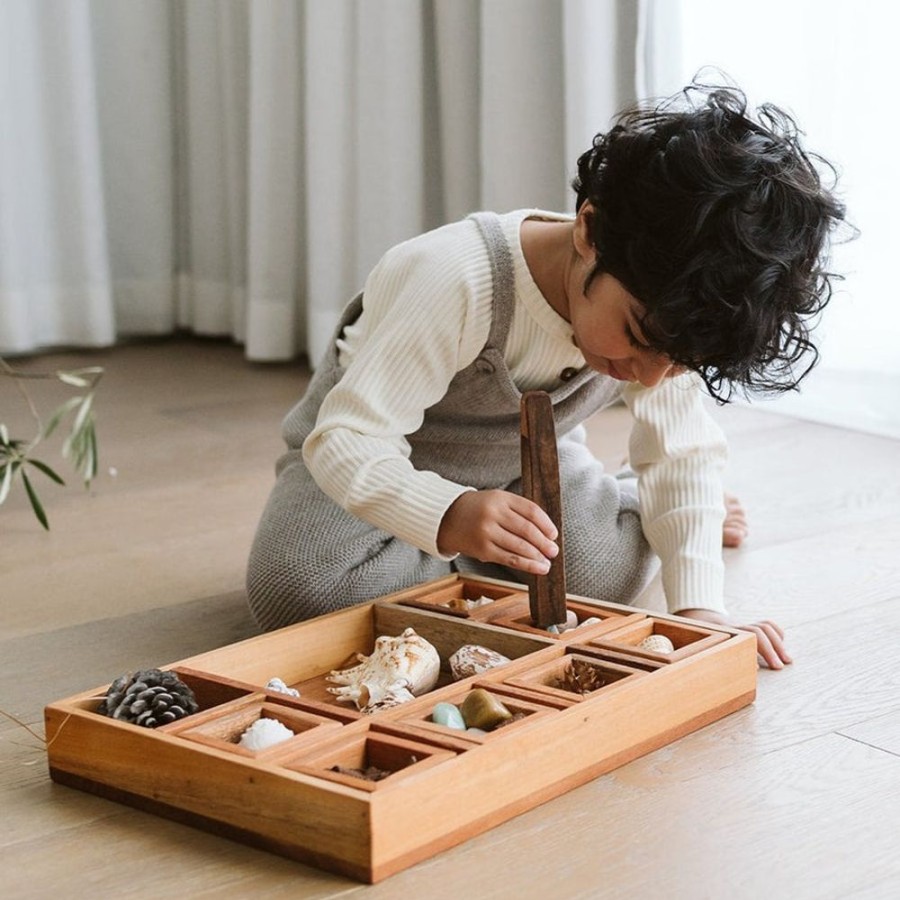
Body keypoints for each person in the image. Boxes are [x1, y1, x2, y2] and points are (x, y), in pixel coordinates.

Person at [246, 82, 845, 669]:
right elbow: (346, 441)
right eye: (638, 339)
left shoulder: (674, 316)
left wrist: (700, 612)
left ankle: (644, 509)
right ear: (588, 230)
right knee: (300, 590)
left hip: (527, 468)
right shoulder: (450, 278)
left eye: (679, 363)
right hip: (368, 456)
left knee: (608, 576)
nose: (654, 376)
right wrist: (450, 514)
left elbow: (679, 450)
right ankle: (478, 549)